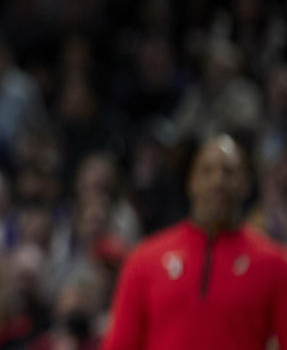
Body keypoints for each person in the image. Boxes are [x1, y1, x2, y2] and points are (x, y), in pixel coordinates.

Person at [101, 133, 287, 350]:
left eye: (228, 172)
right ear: (192, 181)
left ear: (246, 183)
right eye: (207, 171)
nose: (217, 181)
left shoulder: (276, 266)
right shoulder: (144, 260)